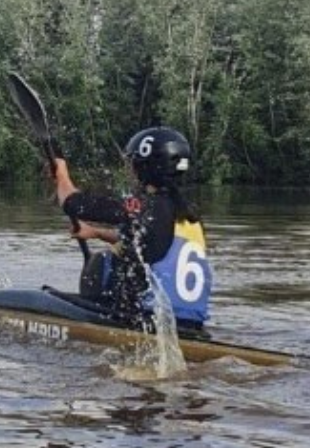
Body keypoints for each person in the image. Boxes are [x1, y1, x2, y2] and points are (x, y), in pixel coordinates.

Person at [50, 126, 212, 332]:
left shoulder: (144, 204)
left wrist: (61, 174)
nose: (130, 170)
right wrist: (96, 232)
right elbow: (150, 241)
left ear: (145, 167)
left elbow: (73, 203)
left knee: (101, 262)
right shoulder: (188, 216)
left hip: (148, 320)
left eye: (133, 164)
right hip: (189, 324)